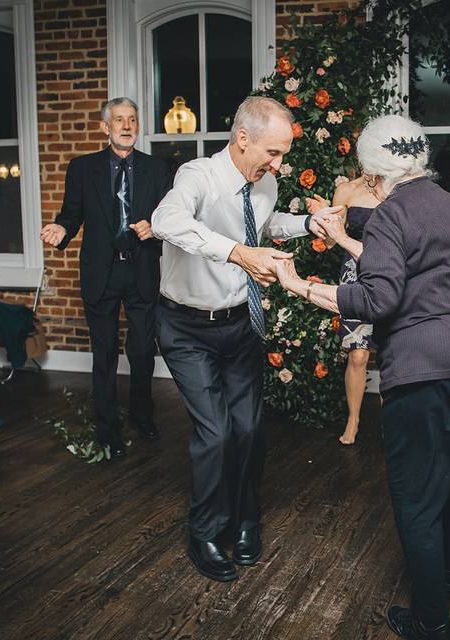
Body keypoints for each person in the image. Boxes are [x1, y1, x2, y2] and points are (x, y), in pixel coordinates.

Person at [275, 114, 450, 640]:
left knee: (416, 497)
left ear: (375, 175)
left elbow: (379, 297)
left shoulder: (387, 214)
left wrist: (300, 287)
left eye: (366, 175)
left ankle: (431, 623)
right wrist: (345, 239)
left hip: (428, 368)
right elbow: (412, 274)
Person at [149, 96, 331, 583]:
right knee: (216, 432)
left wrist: (309, 224)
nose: (279, 164)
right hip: (186, 326)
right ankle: (205, 531)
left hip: (238, 323)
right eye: (273, 153)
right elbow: (167, 222)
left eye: (283, 155)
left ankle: (246, 520)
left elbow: (266, 225)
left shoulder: (264, 181)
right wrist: (236, 254)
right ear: (242, 138)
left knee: (249, 429)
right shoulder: (197, 176)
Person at [41, 97, 171, 456]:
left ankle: (142, 416)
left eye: (132, 119)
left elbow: (170, 217)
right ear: (105, 128)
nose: (126, 126)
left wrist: (155, 227)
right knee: (104, 354)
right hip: (102, 271)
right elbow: (71, 215)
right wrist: (60, 231)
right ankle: (107, 428)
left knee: (143, 350)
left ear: (137, 126)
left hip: (142, 268)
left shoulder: (158, 169)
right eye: (118, 120)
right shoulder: (82, 168)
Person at [306, 176, 381, 445]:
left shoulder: (396, 187)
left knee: (394, 351)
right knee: (358, 354)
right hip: (354, 276)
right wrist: (325, 218)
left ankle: (395, 419)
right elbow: (329, 244)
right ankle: (353, 420)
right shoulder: (346, 189)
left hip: (390, 272)